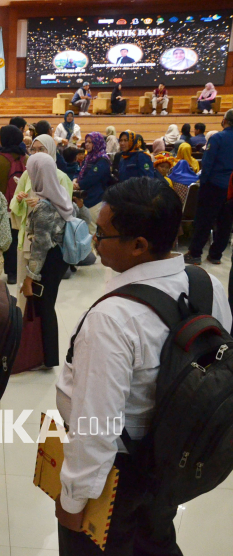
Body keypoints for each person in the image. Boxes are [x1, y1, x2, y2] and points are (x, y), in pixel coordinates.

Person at [56, 178, 232, 556]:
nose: (94, 242)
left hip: (120, 475)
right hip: (172, 458)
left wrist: (73, 499)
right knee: (154, 539)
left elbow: (96, 426)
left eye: (101, 234)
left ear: (139, 245)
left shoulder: (113, 318)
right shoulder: (206, 285)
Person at [21, 153, 75, 369]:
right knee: (47, 304)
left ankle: (48, 357)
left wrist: (29, 278)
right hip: (60, 256)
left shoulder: (43, 208)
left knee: (45, 305)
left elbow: (39, 249)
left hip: (49, 260)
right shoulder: (59, 194)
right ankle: (46, 355)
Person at [185, 110, 233, 266]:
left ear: (225, 120)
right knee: (226, 223)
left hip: (214, 185)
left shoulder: (218, 138)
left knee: (204, 221)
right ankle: (215, 255)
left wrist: (203, 185)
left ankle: (195, 254)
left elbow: (207, 164)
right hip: (231, 188)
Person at [0, 125, 28, 283]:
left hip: (3, 208)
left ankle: (10, 272)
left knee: (6, 240)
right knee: (20, 239)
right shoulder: (26, 158)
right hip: (23, 207)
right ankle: (20, 270)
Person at [75, 133, 111, 234]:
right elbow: (79, 171)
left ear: (97, 143)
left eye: (90, 142)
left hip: (96, 200)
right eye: (86, 142)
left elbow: (92, 178)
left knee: (93, 231)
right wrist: (75, 180)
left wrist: (78, 185)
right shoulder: (89, 158)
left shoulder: (102, 159)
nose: (87, 144)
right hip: (86, 198)